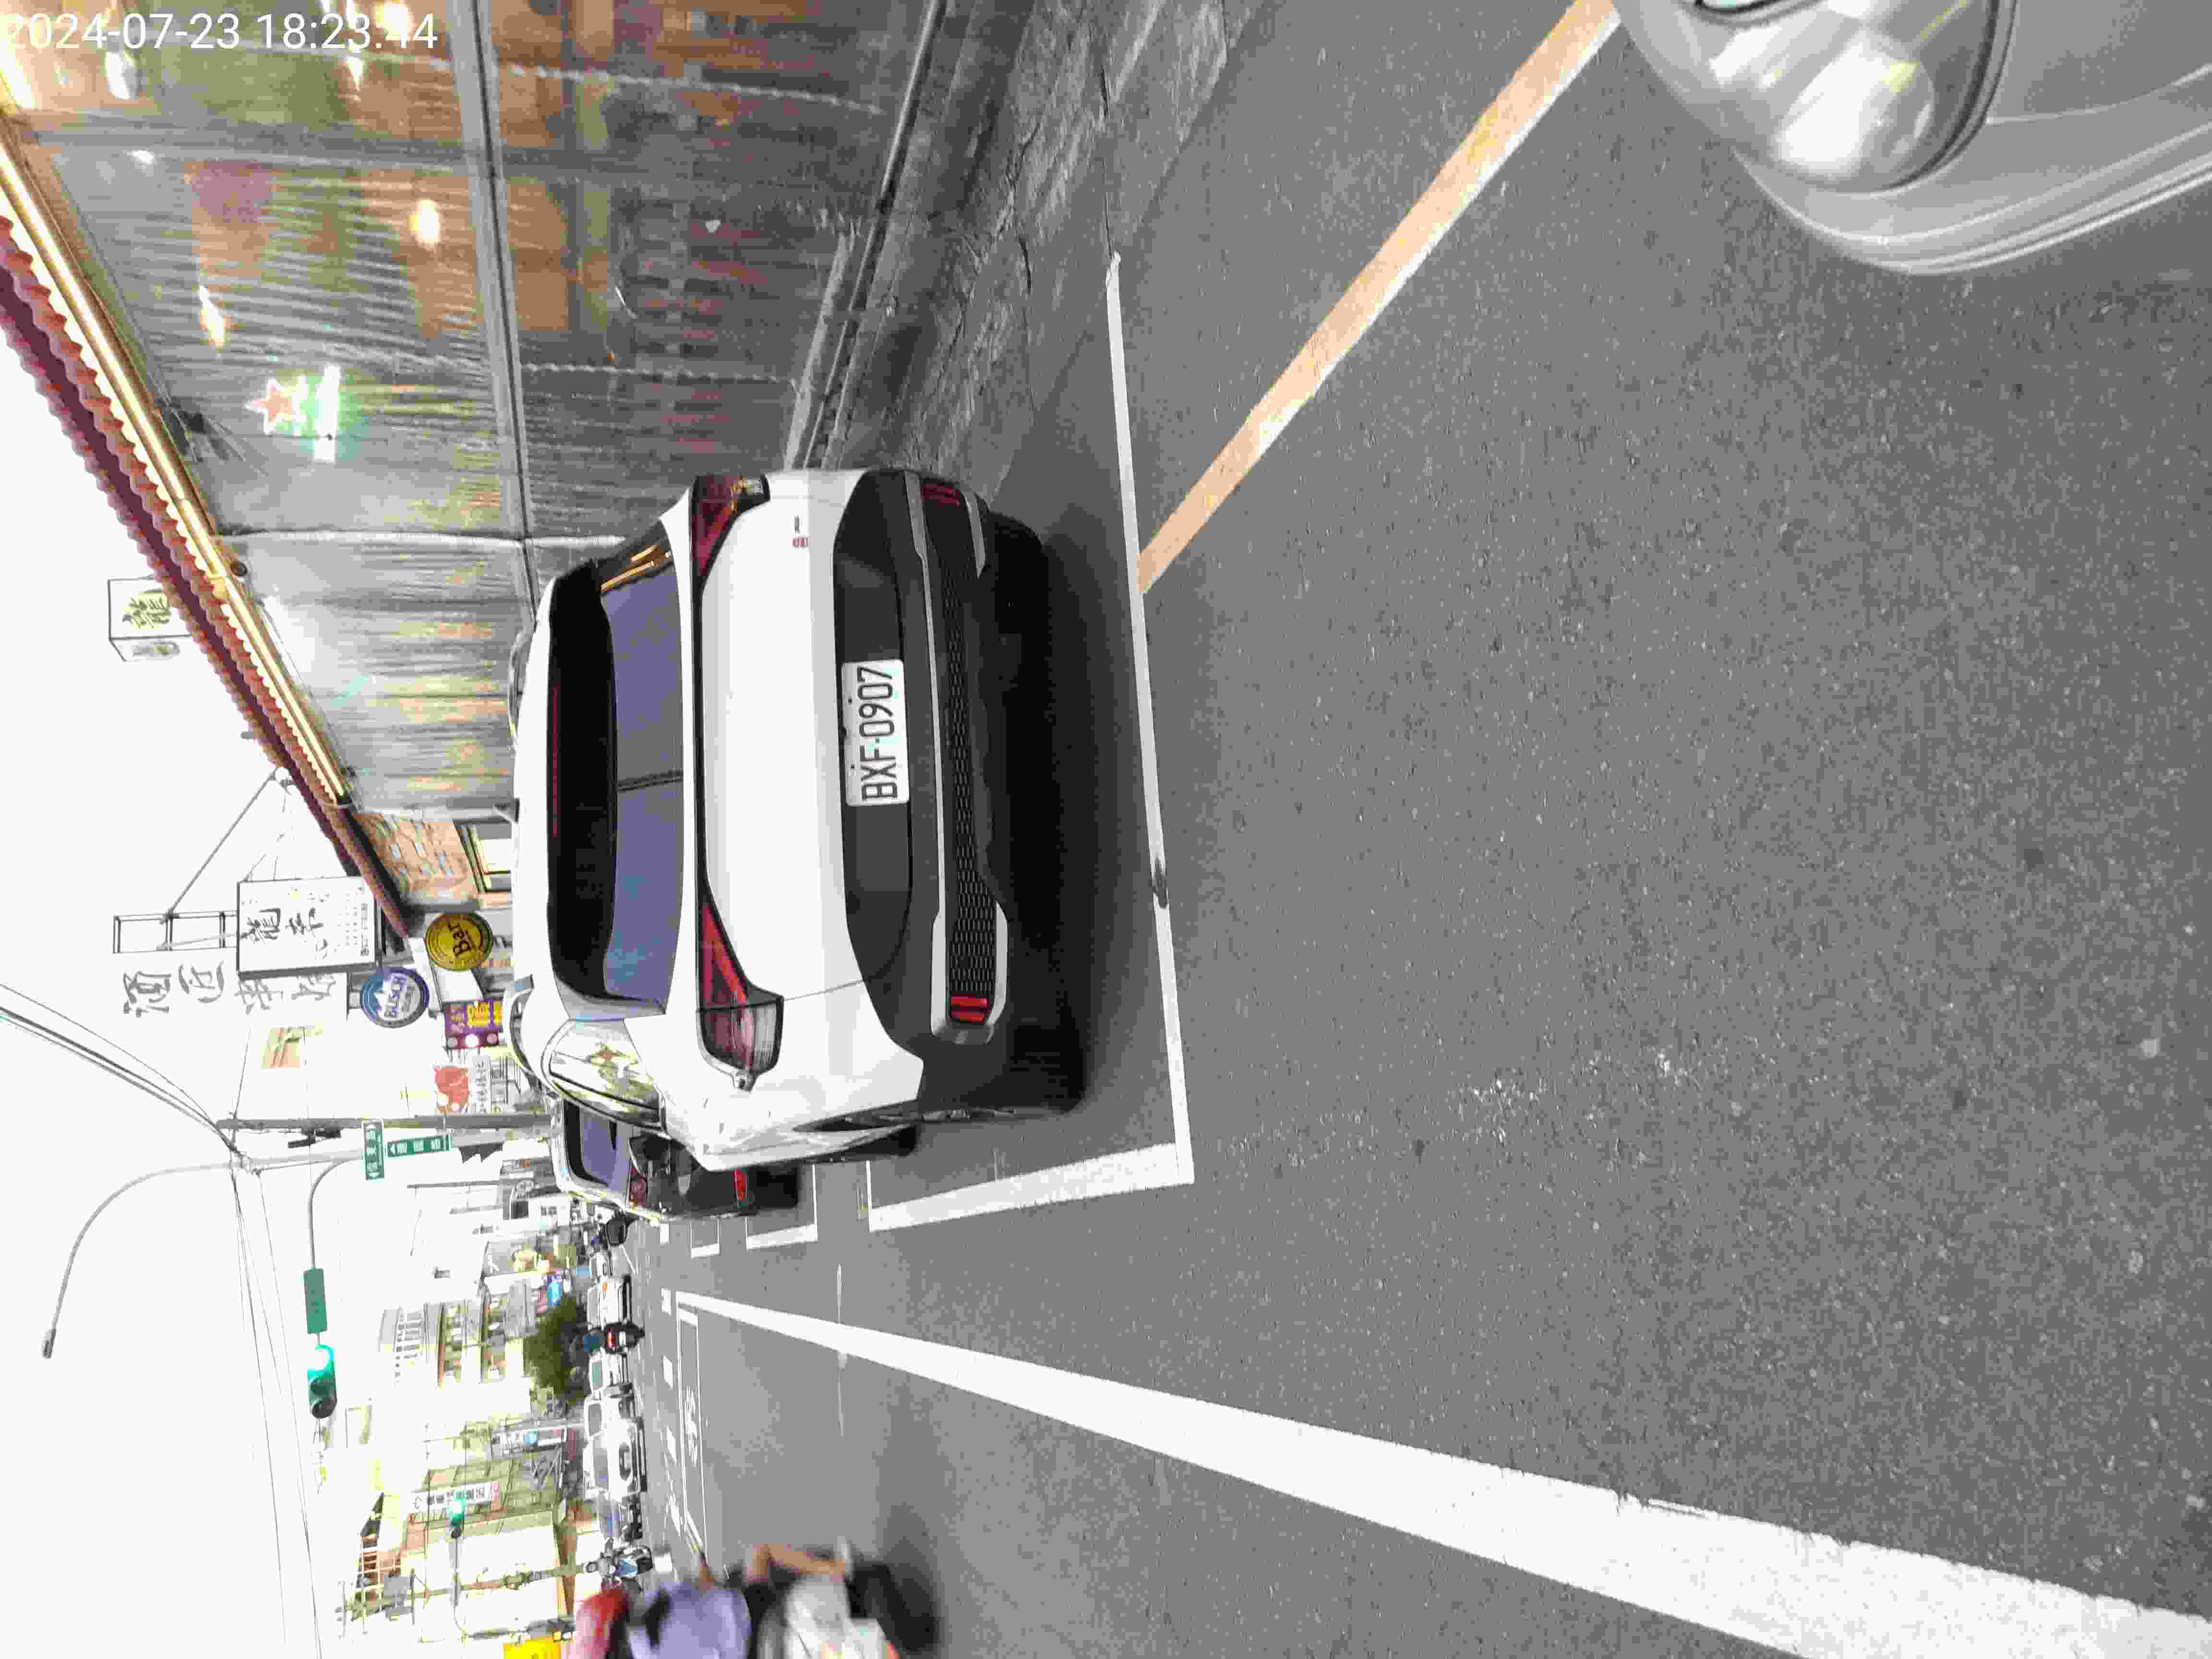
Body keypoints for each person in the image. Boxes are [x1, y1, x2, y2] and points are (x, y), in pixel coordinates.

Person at [566, 1542, 851, 1659]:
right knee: (762, 1552)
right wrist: (700, 1562)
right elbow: (706, 1586)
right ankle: (838, 1569)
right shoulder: (652, 1604)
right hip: (755, 1611)